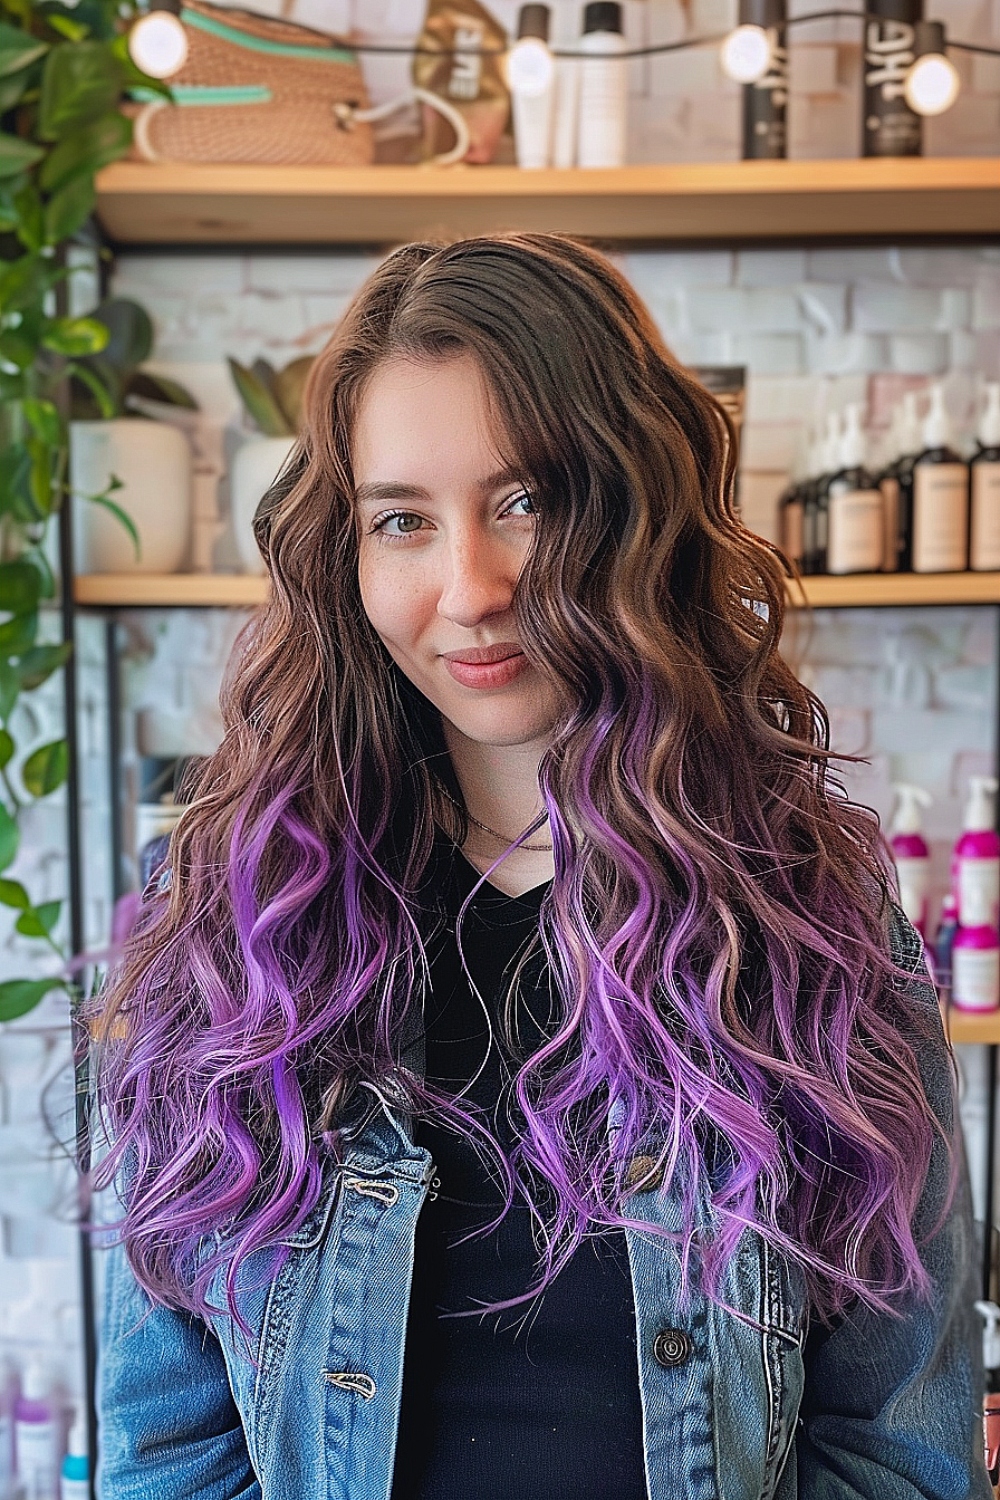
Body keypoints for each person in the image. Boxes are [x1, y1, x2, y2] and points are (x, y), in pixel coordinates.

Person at [84, 233, 991, 1499]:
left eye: (529, 502)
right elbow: (168, 1451)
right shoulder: (233, 936)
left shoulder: (817, 933)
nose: (472, 586)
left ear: (636, 506)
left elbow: (896, 1455)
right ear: (345, 558)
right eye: (403, 520)